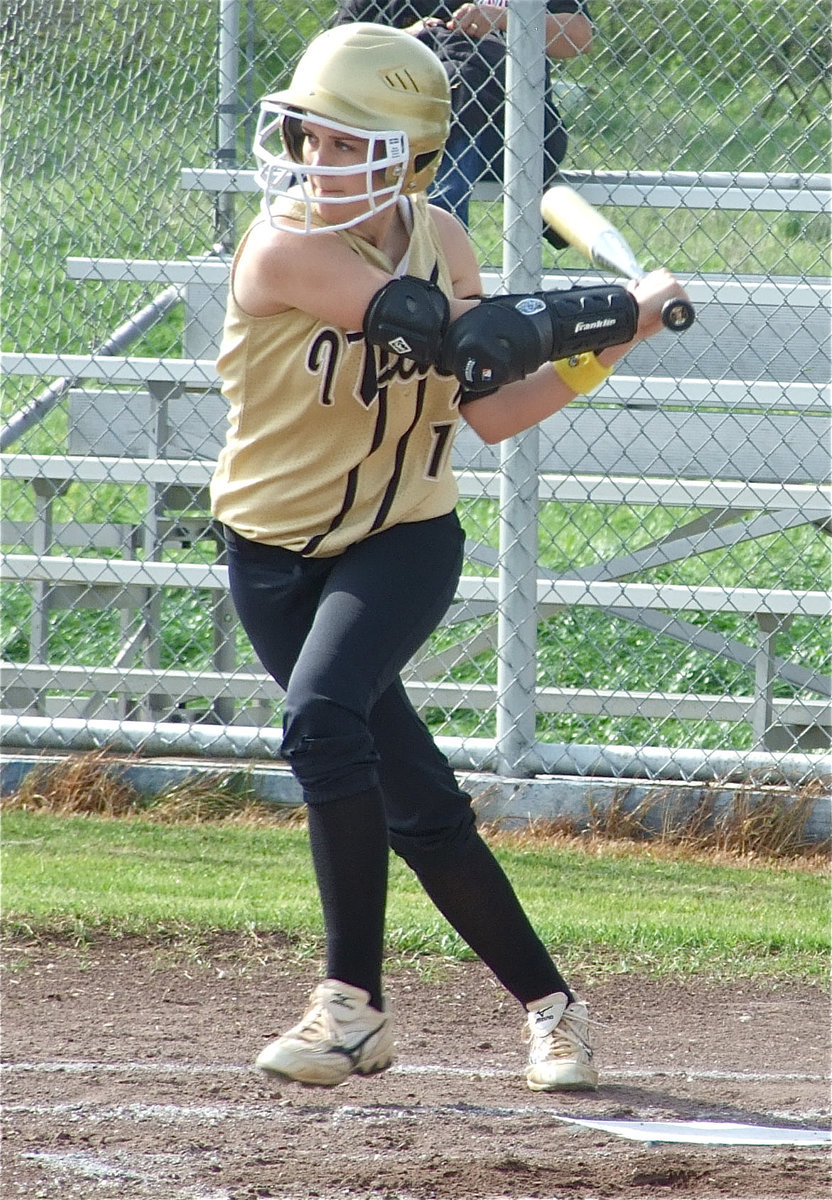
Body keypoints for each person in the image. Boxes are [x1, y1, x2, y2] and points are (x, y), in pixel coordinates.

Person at [210, 22, 687, 1091]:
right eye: (310, 139)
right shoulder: (284, 247)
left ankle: (349, 1008)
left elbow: (493, 408)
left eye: (351, 147)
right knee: (419, 803)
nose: (319, 163)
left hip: (401, 541)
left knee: (324, 722)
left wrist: (615, 349)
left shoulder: (441, 238)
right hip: (271, 555)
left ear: (413, 158)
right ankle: (553, 1010)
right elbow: (455, 339)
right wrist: (622, 301)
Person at [331, 1, 593, 229]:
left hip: (507, 131)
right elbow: (335, 47)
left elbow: (577, 36)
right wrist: (405, 39)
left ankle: (437, 248)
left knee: (462, 98)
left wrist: (508, 21)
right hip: (393, 123)